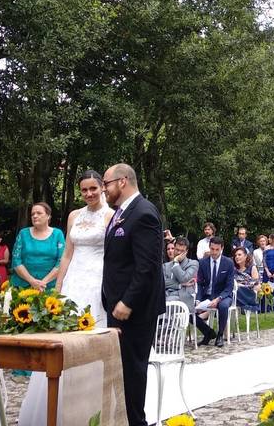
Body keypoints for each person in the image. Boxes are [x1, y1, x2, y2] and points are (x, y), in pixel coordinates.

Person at [18, 170, 114, 426]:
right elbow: (67, 255)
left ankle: (93, 407)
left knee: (91, 339)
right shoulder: (73, 216)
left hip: (97, 281)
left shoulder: (111, 216)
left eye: (93, 188)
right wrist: (59, 286)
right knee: (64, 339)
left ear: (103, 187)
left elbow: (114, 255)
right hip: (73, 282)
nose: (89, 194)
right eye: (84, 190)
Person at [101, 163, 164, 426]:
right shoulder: (121, 213)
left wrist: (128, 301)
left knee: (132, 373)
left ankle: (136, 422)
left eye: (106, 184)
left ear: (123, 181)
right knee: (119, 374)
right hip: (116, 307)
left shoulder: (144, 213)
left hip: (134, 310)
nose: (104, 189)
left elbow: (147, 265)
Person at [11, 202, 65, 291]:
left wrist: (43, 282)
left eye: (39, 213)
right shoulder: (23, 233)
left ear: (48, 216)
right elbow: (16, 260)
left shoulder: (57, 234)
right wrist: (32, 281)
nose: (35, 216)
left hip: (49, 287)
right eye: (32, 214)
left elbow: (61, 261)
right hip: (22, 286)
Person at [194, 237, 234, 347]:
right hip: (207, 295)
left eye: (217, 249)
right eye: (212, 249)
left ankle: (220, 335)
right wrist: (198, 299)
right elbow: (200, 284)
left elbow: (229, 287)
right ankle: (208, 332)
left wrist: (218, 298)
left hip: (223, 295)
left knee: (223, 306)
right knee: (189, 308)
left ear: (222, 248)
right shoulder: (202, 263)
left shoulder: (228, 263)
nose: (214, 252)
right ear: (209, 248)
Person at [164, 236, 198, 313]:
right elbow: (162, 282)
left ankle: (165, 323)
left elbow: (183, 278)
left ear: (186, 251)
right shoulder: (166, 265)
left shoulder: (193, 264)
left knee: (166, 302)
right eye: (177, 250)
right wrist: (180, 285)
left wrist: (176, 262)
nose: (179, 253)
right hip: (166, 295)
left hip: (183, 298)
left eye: (182, 251)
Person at [232, 246, 260, 310]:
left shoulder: (252, 268)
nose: (237, 257)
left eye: (239, 255)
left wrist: (241, 285)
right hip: (235, 293)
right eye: (235, 255)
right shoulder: (234, 269)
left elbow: (257, 285)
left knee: (234, 289)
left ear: (245, 256)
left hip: (248, 294)